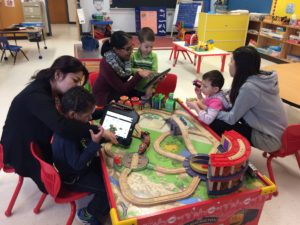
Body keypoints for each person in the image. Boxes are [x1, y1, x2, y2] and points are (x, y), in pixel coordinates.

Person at [0, 55, 117, 192]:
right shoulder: (36, 95)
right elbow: (62, 126)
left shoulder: (54, 88)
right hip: (20, 148)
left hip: (35, 137)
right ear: (58, 74)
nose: (77, 86)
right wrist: (98, 131)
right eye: (75, 80)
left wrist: (103, 112)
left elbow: (77, 111)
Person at [209, 46, 288, 152]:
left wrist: (210, 110)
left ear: (240, 66)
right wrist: (213, 92)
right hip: (275, 131)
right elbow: (232, 94)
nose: (229, 64)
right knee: (224, 109)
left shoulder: (250, 88)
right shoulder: (257, 77)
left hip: (269, 138)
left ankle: (225, 154)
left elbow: (231, 119)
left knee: (215, 122)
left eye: (231, 61)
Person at [52, 87, 108, 225]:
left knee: (109, 170)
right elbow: (77, 164)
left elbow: (83, 143)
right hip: (74, 177)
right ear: (73, 115)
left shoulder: (71, 124)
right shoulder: (67, 139)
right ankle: (87, 214)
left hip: (81, 164)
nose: (90, 118)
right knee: (108, 189)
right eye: (87, 115)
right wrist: (94, 144)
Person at [92, 30, 152, 106]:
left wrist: (153, 76)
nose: (131, 51)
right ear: (116, 50)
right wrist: (139, 74)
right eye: (127, 49)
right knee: (130, 102)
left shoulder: (126, 57)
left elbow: (133, 73)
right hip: (104, 96)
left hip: (117, 90)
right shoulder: (106, 63)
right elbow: (123, 89)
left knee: (141, 95)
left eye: (132, 46)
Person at [131, 27, 158, 95]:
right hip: (136, 88)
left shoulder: (153, 56)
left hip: (149, 89)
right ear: (139, 43)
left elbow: (155, 72)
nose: (149, 49)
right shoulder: (133, 56)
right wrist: (139, 71)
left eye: (151, 47)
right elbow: (128, 70)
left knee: (148, 105)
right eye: (146, 47)